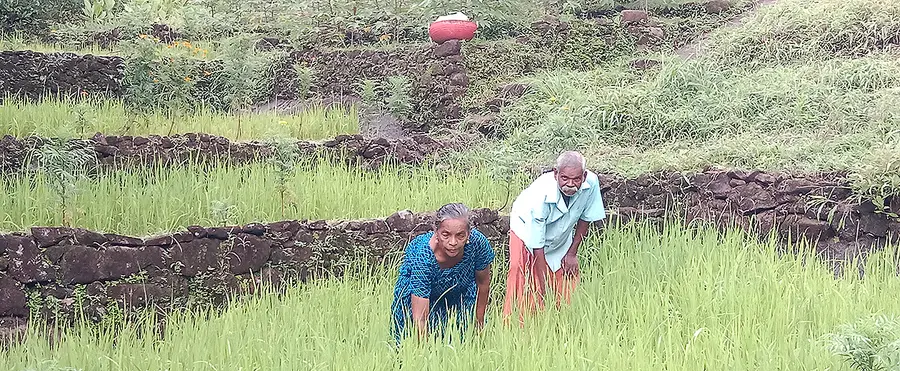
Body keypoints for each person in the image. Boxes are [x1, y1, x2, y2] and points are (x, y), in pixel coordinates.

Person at [502, 151, 606, 324]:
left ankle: (562, 325)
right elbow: (538, 245)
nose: (570, 184)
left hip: (560, 233)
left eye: (576, 179)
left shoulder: (592, 183)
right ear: (555, 174)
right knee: (523, 278)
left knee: (567, 280)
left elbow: (586, 218)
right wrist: (543, 287)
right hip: (526, 232)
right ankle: (516, 329)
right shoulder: (540, 195)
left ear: (584, 176)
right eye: (565, 178)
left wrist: (572, 253)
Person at [390, 203, 495, 346]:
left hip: (460, 292)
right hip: (418, 297)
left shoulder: (478, 244)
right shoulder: (423, 257)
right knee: (408, 343)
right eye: (446, 234)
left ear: (469, 234)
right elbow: (420, 318)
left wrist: (479, 325)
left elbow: (483, 285)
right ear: (436, 232)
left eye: (460, 235)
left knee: (464, 343)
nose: (453, 242)